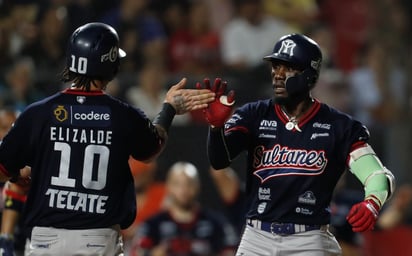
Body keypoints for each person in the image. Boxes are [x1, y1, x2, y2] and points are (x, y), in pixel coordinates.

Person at [0, 22, 215, 256]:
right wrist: (169, 109)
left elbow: (2, 169)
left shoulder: (37, 113)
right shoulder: (123, 115)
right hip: (98, 239)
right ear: (111, 65)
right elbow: (153, 148)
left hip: (45, 239)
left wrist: (18, 175)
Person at [196, 33, 395, 255]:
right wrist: (215, 129)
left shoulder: (339, 126)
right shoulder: (254, 114)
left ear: (309, 74)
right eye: (275, 67)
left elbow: (378, 175)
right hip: (256, 237)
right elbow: (219, 160)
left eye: (287, 68)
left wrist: (372, 202)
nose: (277, 75)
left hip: (308, 239)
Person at [130, 161, 238, 256]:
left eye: (189, 184)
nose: (184, 190)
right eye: (177, 184)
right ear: (168, 186)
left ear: (198, 186)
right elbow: (136, 251)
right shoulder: (152, 225)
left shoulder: (216, 223)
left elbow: (232, 249)